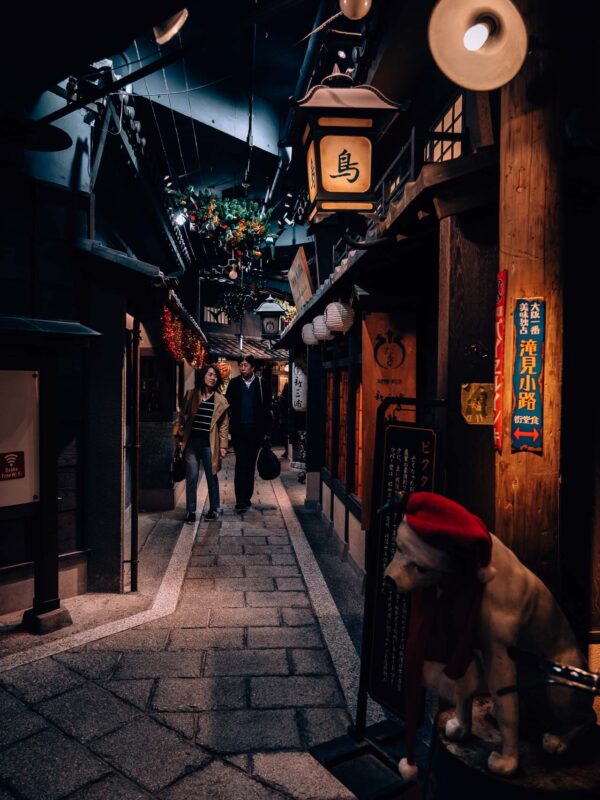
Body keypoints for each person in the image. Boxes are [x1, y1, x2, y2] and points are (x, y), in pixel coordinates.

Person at [173, 365, 229, 523]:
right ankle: (191, 511)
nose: (213, 378)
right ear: (203, 376)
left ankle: (214, 508)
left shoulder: (220, 400)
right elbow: (182, 417)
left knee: (212, 476)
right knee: (192, 476)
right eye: (210, 374)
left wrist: (223, 446)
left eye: (215, 376)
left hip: (209, 444)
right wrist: (178, 437)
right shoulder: (191, 395)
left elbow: (224, 425)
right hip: (191, 443)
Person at [225, 354, 272, 512]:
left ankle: (247, 496)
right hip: (239, 431)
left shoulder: (261, 384)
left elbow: (267, 409)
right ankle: (240, 500)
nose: (242, 368)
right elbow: (227, 406)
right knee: (240, 464)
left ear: (253, 367)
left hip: (255, 432)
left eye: (245, 365)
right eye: (241, 365)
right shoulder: (234, 384)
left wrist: (267, 432)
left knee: (250, 465)